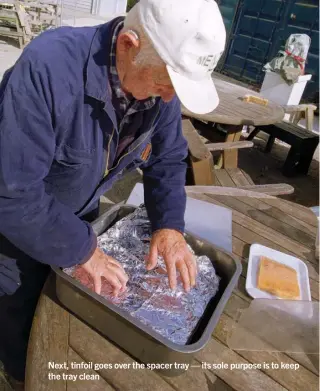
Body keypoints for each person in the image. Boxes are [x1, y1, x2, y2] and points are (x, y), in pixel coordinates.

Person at [0, 0, 226, 387]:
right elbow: (11, 193)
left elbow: (168, 160)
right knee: (19, 327)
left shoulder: (157, 88)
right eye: (165, 81)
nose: (169, 97)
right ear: (128, 44)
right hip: (13, 232)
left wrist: (169, 225)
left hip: (76, 215)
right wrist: (84, 249)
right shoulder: (48, 70)